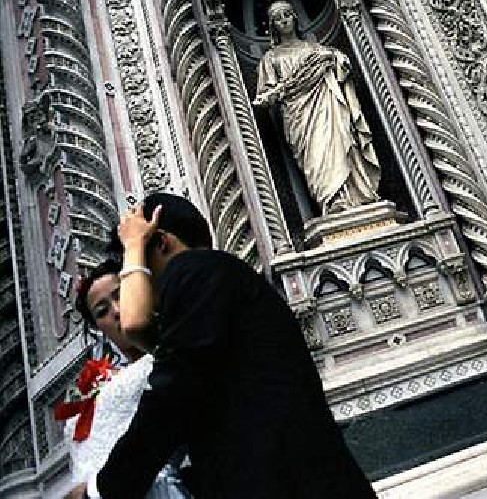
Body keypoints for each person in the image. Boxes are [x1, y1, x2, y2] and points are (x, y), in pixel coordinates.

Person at [67, 193, 377, 499]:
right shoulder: (218, 279)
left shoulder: (192, 273)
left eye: (134, 270)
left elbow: (171, 396)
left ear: (161, 242)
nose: (138, 284)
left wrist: (101, 491)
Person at [59, 260, 192, 498]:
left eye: (119, 295)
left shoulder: (173, 351)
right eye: (102, 311)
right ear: (99, 328)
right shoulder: (105, 382)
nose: (117, 311)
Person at [253, 0, 380, 214]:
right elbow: (267, 94)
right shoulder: (271, 58)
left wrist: (335, 58)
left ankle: (354, 195)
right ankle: (330, 201)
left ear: (295, 17)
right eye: (278, 19)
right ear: (272, 26)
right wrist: (272, 95)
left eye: (287, 15)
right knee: (317, 157)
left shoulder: (317, 49)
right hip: (299, 116)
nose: (284, 21)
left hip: (327, 104)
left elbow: (342, 68)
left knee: (339, 145)